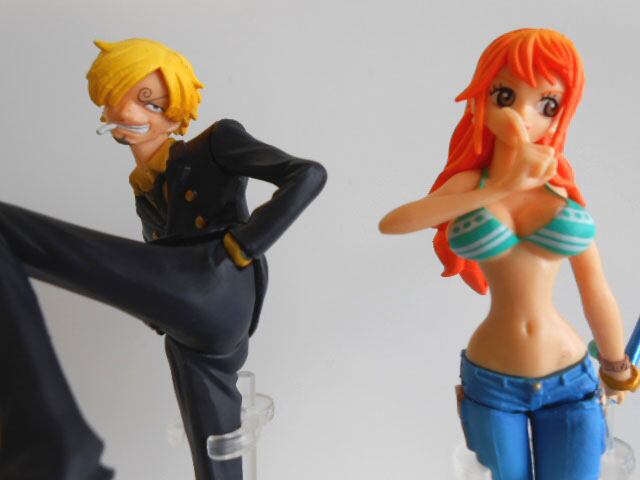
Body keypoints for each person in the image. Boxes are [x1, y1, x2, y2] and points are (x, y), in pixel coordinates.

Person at [0, 38, 326, 480]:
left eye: (152, 103)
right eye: (122, 100)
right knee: (214, 454)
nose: (132, 112)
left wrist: (241, 247)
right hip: (195, 320)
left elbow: (307, 174)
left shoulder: (215, 143)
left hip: (209, 282)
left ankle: (56, 451)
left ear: (176, 113)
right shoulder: (143, 185)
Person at [379, 28, 638, 479]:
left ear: (560, 117)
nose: (522, 114)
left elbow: (594, 287)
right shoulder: (469, 186)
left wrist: (617, 367)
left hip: (569, 378)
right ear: (479, 99)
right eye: (505, 95)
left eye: (547, 104)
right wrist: (499, 188)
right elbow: (395, 222)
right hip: (493, 382)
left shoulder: (561, 193)